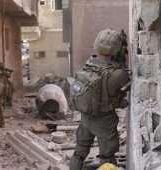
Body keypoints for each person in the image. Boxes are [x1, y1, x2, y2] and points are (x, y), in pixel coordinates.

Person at [69, 29, 130, 170]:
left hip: (85, 118)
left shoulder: (89, 64)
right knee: (107, 158)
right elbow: (123, 99)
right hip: (105, 121)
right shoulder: (119, 74)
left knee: (79, 152)